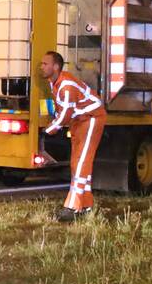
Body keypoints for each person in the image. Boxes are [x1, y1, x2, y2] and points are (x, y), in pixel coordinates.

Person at [39, 51, 106, 222]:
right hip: (79, 121)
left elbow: (65, 114)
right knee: (77, 162)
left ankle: (72, 207)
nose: (41, 67)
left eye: (45, 64)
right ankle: (86, 205)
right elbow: (61, 110)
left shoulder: (66, 85)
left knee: (82, 162)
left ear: (56, 67)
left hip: (91, 118)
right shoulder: (54, 83)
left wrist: (48, 130)